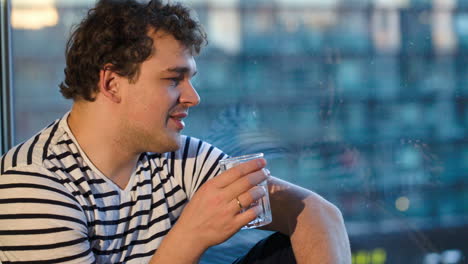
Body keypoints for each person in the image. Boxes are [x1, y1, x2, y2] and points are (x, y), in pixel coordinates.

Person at [0, 0, 351, 263]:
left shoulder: (180, 158)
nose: (192, 97)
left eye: (190, 79)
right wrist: (191, 235)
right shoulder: (31, 185)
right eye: (173, 79)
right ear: (111, 82)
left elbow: (319, 214)